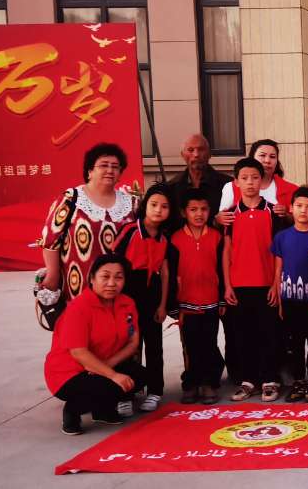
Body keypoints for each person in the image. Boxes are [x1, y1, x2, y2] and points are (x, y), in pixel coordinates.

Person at [44, 254, 144, 435]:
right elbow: (78, 352)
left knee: (139, 376)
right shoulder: (79, 308)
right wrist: (113, 375)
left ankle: (102, 411)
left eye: (118, 277)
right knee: (110, 384)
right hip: (69, 372)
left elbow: (133, 342)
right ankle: (72, 411)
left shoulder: (127, 304)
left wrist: (107, 366)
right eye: (105, 276)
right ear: (92, 278)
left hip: (101, 364)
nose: (112, 283)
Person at [39, 143, 140, 304]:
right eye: (103, 165)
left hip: (119, 287)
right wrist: (53, 274)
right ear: (90, 171)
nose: (110, 170)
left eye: (115, 167)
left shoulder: (132, 203)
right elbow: (50, 241)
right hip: (79, 285)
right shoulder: (72, 199)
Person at [222, 158, 288, 403]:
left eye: (255, 177)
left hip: (266, 284)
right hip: (239, 285)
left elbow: (279, 252)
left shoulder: (273, 211)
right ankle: (248, 380)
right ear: (236, 182)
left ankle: (270, 379)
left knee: (269, 334)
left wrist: (275, 284)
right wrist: (227, 285)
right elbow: (226, 251)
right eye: (244, 178)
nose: (250, 182)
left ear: (262, 180)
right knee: (243, 335)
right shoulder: (229, 215)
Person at [113, 184, 172, 411]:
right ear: (145, 206)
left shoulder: (164, 239)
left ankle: (155, 391)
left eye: (164, 207)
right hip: (127, 294)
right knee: (127, 345)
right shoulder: (129, 231)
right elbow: (113, 262)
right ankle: (125, 394)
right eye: (154, 205)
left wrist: (163, 305)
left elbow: (165, 274)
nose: (158, 210)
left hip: (152, 294)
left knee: (154, 345)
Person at [271, 187, 308, 403]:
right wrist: (278, 297)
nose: (303, 210)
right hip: (289, 299)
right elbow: (278, 269)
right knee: (293, 344)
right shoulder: (282, 237)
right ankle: (298, 381)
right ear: (291, 208)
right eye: (299, 206)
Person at [169, 188, 225, 405]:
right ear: (184, 212)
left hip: (211, 301)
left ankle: (208, 383)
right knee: (190, 347)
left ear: (210, 211)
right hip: (186, 304)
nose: (199, 214)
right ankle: (191, 383)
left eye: (203, 209)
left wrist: (222, 298)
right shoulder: (175, 239)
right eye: (193, 209)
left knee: (209, 343)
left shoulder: (216, 237)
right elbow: (170, 274)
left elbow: (222, 269)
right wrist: (173, 304)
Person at [217, 139, 298, 220]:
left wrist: (287, 216)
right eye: (262, 155)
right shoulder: (231, 187)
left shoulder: (291, 189)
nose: (267, 161)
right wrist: (218, 219)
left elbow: (299, 222)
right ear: (252, 158)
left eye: (272, 157)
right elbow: (222, 219)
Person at [169, 134, 231, 219]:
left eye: (201, 149)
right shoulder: (172, 187)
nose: (196, 154)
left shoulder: (227, 185)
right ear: (182, 155)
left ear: (209, 153)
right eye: (191, 150)